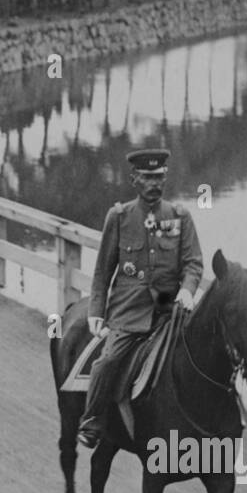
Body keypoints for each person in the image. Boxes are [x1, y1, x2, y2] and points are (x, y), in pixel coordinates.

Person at [75, 149, 203, 448]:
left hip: (170, 312)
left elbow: (194, 263)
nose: (153, 183)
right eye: (146, 177)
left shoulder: (180, 217)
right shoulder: (118, 217)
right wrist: (96, 310)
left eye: (158, 177)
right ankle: (92, 421)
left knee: (203, 354)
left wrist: (187, 290)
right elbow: (102, 271)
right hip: (128, 314)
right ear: (134, 179)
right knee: (107, 362)